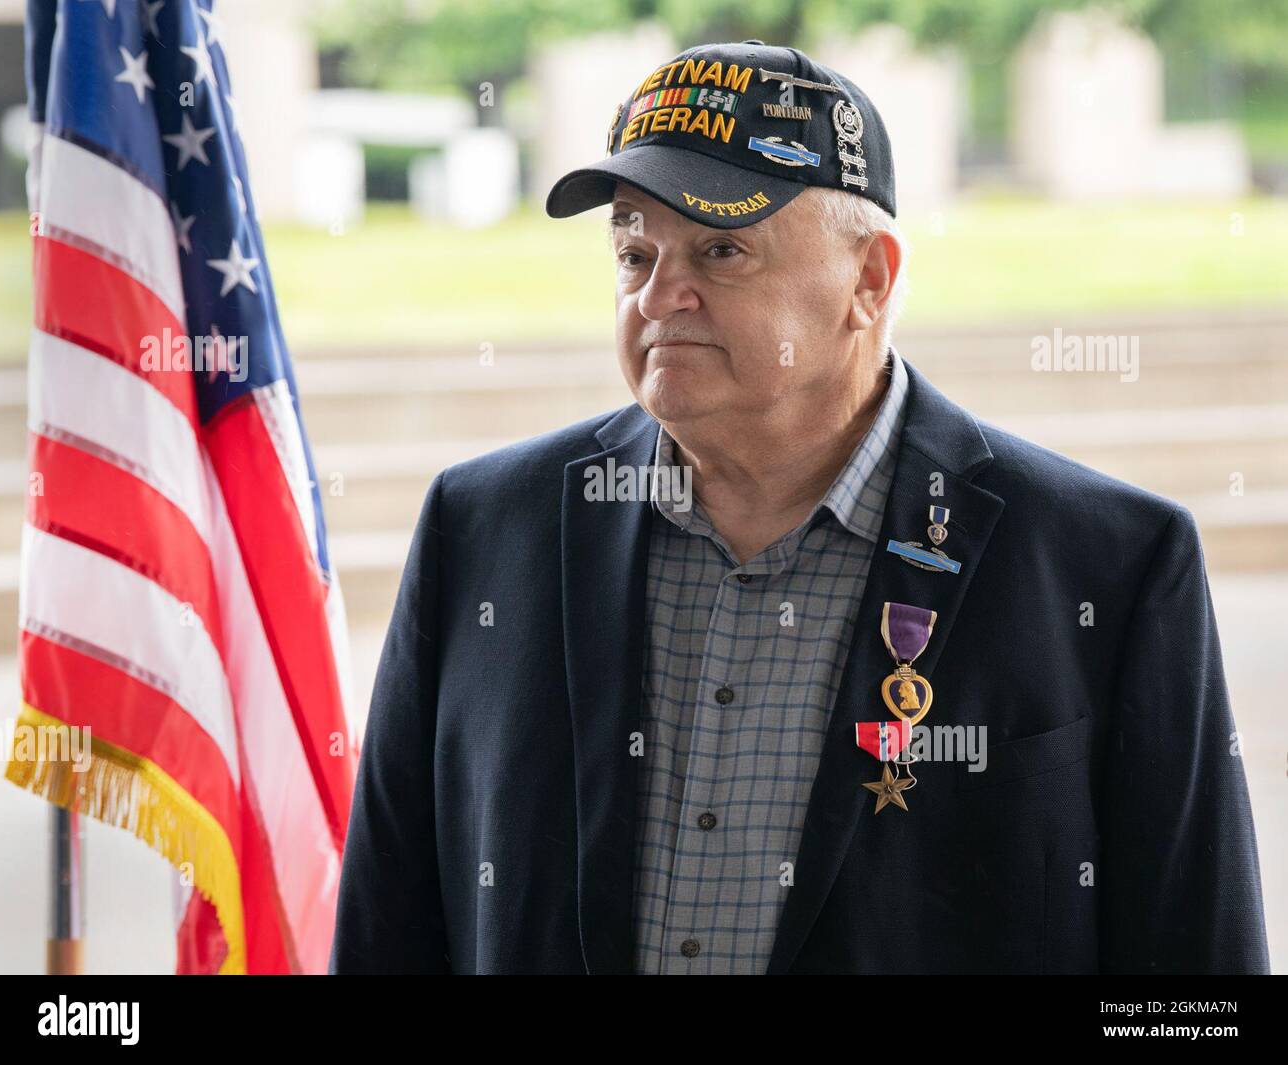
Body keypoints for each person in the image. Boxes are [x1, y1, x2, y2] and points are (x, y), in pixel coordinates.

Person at [329, 40, 1270, 974]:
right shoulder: (483, 528)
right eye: (633, 249)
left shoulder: (1111, 564)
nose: (659, 294)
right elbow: (387, 932)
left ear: (870, 280)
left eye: (721, 248)